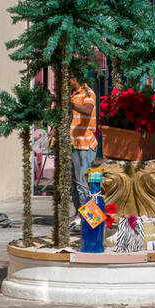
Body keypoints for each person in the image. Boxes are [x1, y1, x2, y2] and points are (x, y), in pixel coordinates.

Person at [69, 74, 98, 232]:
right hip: (74, 144)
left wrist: (70, 104)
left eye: (68, 79)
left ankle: (90, 220)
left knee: (83, 184)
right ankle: (80, 215)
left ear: (75, 77)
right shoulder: (72, 94)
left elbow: (87, 110)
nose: (66, 82)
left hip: (85, 146)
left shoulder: (88, 92)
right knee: (75, 184)